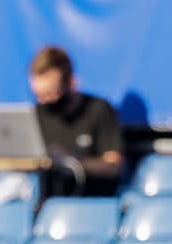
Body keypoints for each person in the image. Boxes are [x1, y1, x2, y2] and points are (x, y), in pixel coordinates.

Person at [30, 46, 124, 197]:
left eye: (52, 94)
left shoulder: (99, 109)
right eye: (39, 96)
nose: (45, 102)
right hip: (47, 201)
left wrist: (72, 162)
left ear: (71, 83)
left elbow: (113, 165)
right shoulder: (36, 114)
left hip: (90, 199)